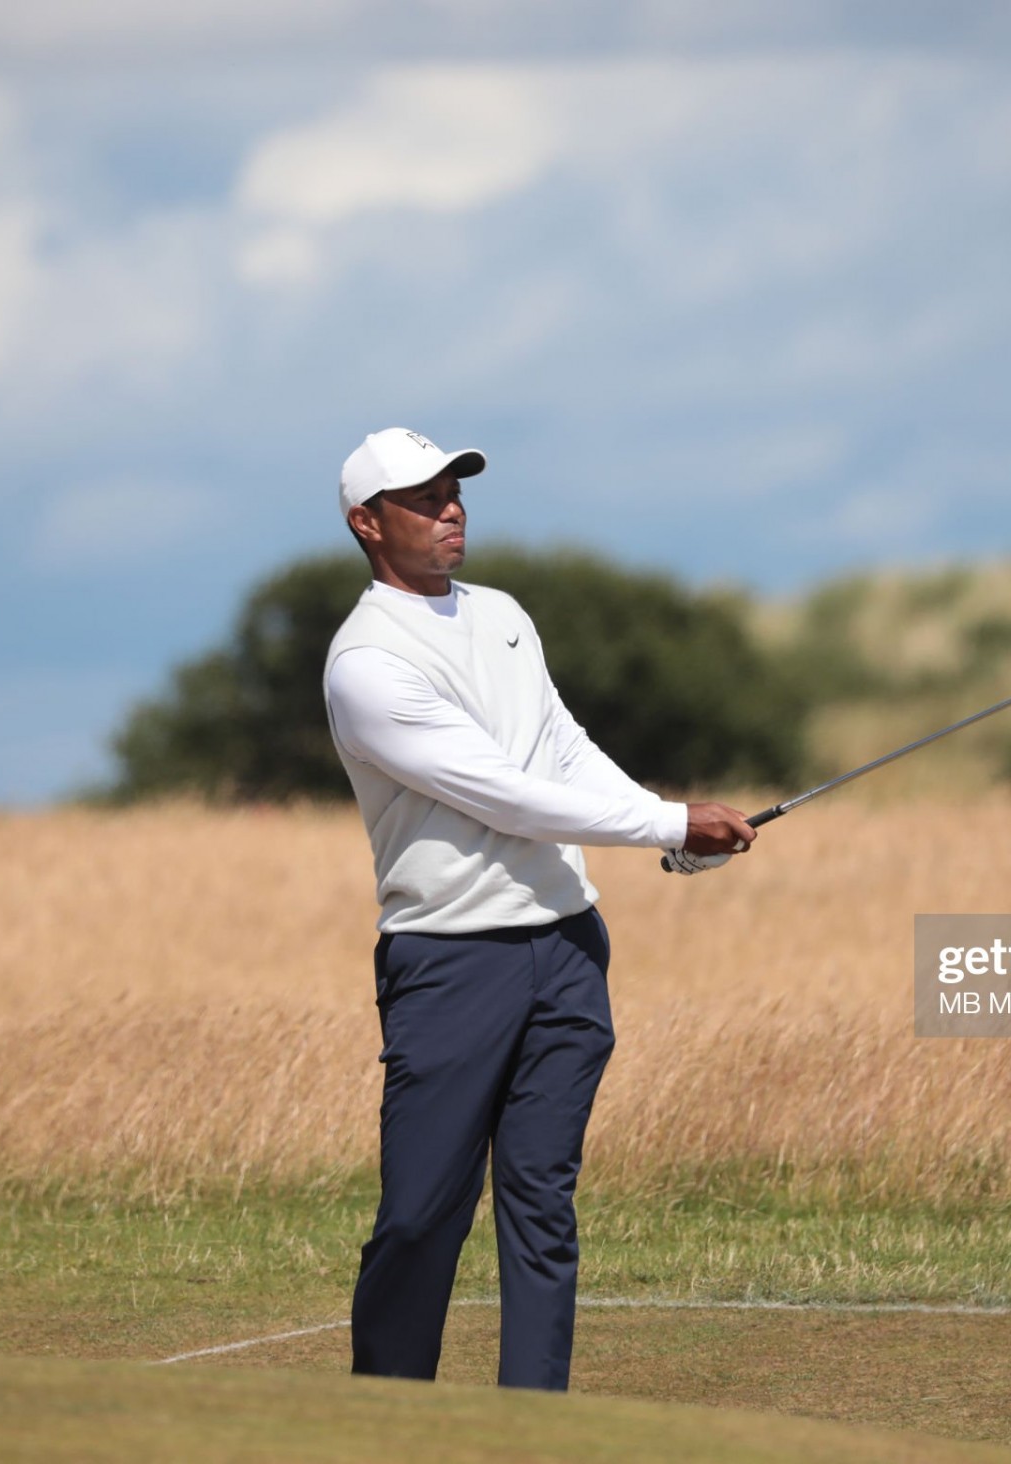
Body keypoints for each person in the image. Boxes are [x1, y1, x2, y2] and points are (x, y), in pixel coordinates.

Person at [322, 426, 756, 1391]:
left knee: (541, 1203)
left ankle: (533, 1426)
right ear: (366, 523)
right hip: (450, 961)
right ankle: (384, 1417)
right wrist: (669, 823)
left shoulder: (505, 615)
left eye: (454, 491)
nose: (450, 510)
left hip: (566, 948)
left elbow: (561, 747)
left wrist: (663, 828)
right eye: (423, 498)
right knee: (421, 1214)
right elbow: (505, 796)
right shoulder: (366, 664)